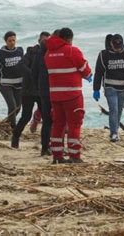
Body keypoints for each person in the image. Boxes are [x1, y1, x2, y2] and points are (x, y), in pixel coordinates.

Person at [44, 28, 92, 164]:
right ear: (69, 39)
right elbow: (85, 70)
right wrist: (88, 76)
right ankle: (74, 155)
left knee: (58, 125)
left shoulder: (48, 53)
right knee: (74, 125)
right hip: (73, 95)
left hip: (55, 95)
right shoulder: (72, 51)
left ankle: (57, 156)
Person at [93, 34, 124, 142]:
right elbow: (98, 73)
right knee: (113, 109)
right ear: (111, 44)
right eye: (116, 47)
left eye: (120, 47)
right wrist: (96, 89)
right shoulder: (104, 55)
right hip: (110, 87)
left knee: (119, 110)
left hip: (123, 87)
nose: (118, 50)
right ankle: (114, 133)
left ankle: (115, 131)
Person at [11, 32, 50, 149]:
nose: (45, 42)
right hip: (28, 90)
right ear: (39, 41)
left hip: (41, 91)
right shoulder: (32, 52)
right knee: (26, 116)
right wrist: (33, 74)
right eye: (43, 40)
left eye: (47, 41)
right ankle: (15, 137)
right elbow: (21, 65)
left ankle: (45, 145)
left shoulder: (50, 53)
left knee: (47, 117)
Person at [0, 31, 24, 129]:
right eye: (9, 40)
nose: (12, 42)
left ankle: (5, 123)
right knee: (12, 106)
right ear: (5, 41)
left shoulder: (20, 51)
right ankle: (13, 127)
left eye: (14, 40)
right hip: (4, 84)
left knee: (18, 107)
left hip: (19, 84)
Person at [32, 29, 60, 156]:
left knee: (47, 120)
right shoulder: (58, 50)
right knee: (57, 120)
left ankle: (44, 148)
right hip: (56, 89)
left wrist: (38, 86)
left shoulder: (40, 51)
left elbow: (34, 71)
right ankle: (54, 147)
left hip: (43, 90)